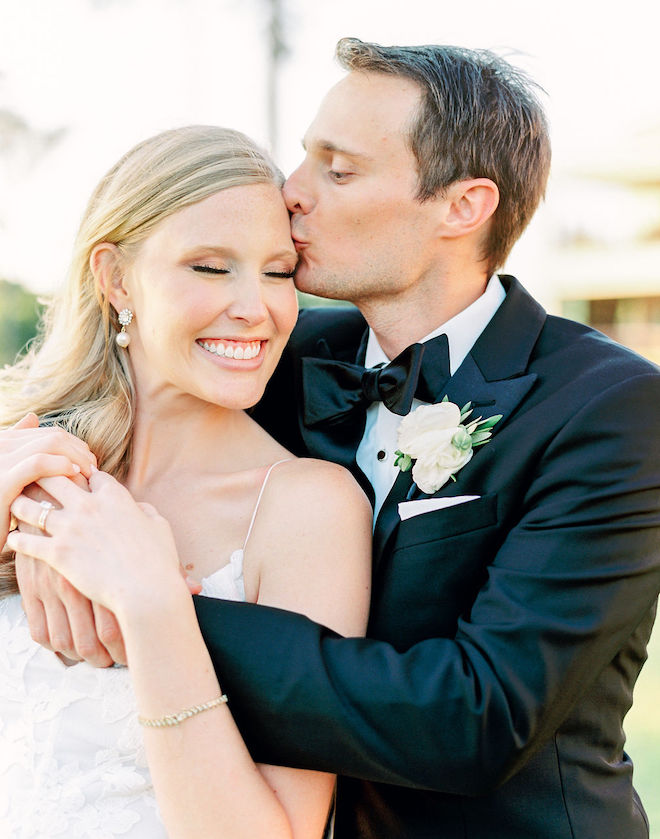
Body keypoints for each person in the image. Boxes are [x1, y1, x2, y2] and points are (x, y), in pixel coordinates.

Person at [4, 37, 660, 838]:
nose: (292, 190)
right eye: (303, 159)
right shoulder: (280, 356)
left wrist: (153, 601)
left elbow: (481, 716)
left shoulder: (608, 407)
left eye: (337, 170)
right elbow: (141, 397)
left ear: (463, 205)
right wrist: (39, 491)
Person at [0, 125, 372, 839]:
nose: (256, 307)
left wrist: (152, 602)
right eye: (209, 267)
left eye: (277, 271)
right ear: (114, 278)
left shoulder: (306, 508)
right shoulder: (27, 461)